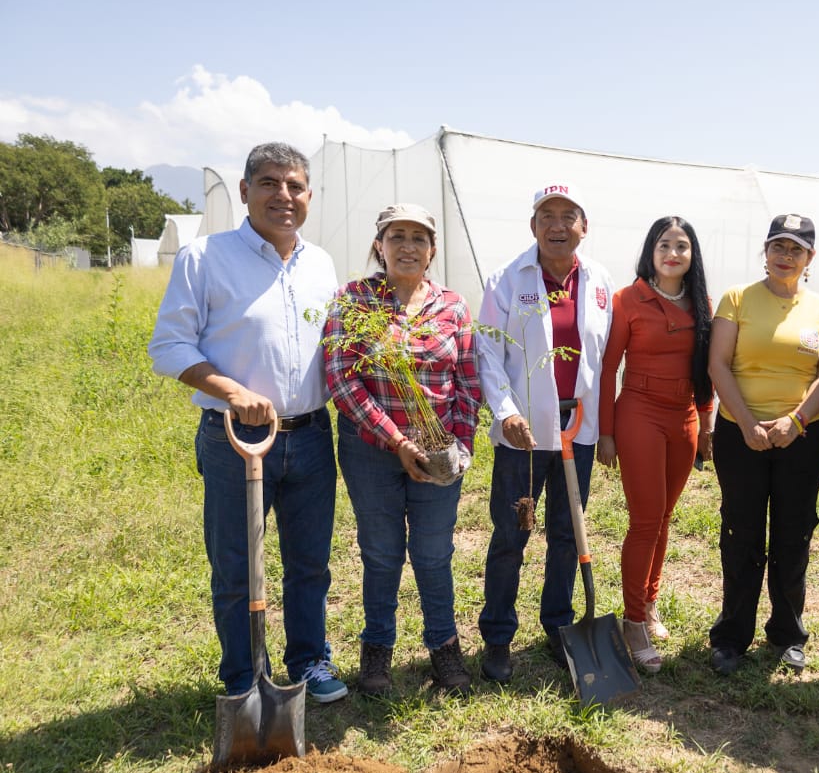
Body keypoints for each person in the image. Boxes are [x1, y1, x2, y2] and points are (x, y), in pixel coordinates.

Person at [148, 142, 346, 703]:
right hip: (236, 440)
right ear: (245, 191)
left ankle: (309, 661)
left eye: (295, 186)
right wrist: (233, 393)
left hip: (310, 435)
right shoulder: (206, 258)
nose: (283, 196)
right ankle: (242, 675)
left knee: (310, 563)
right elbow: (169, 346)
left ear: (308, 196)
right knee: (237, 567)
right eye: (269, 184)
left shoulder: (322, 264)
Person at [324, 203, 481, 696]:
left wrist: (459, 447)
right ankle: (377, 653)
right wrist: (397, 441)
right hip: (371, 450)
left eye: (419, 237)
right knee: (381, 553)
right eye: (397, 236)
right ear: (380, 245)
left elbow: (468, 382)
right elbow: (340, 379)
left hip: (438, 453)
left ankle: (445, 651)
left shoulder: (453, 307)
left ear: (432, 250)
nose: (408, 246)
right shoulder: (354, 301)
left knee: (434, 554)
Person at [476, 183, 615, 682]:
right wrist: (506, 411)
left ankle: (558, 625)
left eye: (568, 216)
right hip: (523, 437)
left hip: (576, 430)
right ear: (533, 225)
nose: (558, 225)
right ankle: (497, 635)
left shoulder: (598, 282)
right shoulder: (508, 279)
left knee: (565, 533)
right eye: (547, 216)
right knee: (511, 536)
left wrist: (603, 430)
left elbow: (601, 362)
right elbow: (487, 351)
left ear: (584, 226)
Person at [707, 213, 819, 675]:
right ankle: (731, 635)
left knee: (794, 532)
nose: (786, 256)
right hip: (738, 433)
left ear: (810, 257)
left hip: (803, 437)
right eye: (778, 247)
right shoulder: (737, 298)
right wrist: (747, 424)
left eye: (796, 249)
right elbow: (719, 364)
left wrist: (796, 420)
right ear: (765, 251)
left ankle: (788, 633)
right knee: (740, 531)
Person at [597, 216, 714, 673]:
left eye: (682, 246)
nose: (673, 253)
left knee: (664, 517)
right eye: (665, 244)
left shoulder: (700, 302)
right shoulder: (629, 299)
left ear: (691, 256)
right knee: (645, 521)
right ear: (651, 251)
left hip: (683, 415)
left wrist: (706, 424)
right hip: (640, 413)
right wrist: (606, 432)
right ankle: (632, 622)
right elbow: (609, 370)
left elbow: (706, 368)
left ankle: (648, 603)